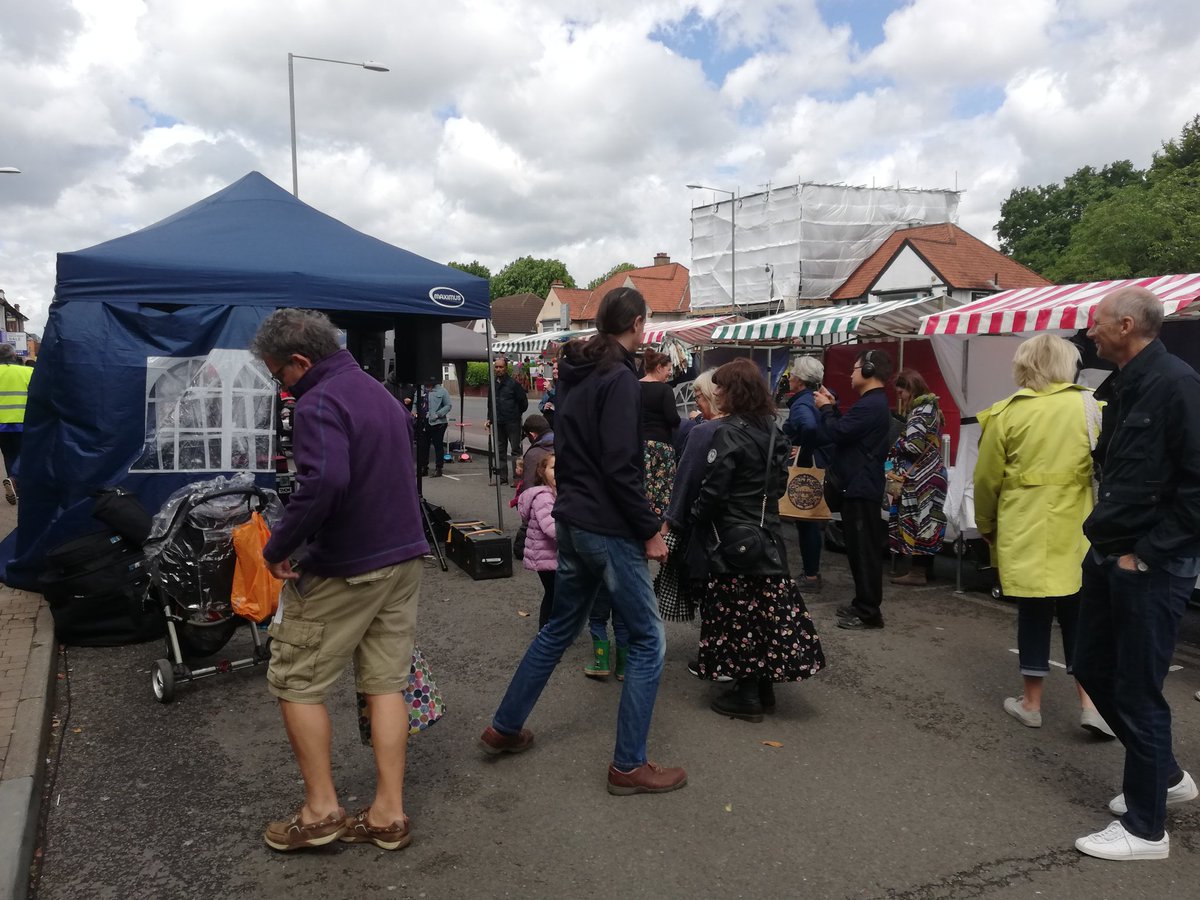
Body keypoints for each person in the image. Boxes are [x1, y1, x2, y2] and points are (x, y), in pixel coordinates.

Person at [480, 287, 686, 796]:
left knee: (558, 629)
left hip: (573, 516)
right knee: (647, 640)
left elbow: (576, 451)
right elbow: (621, 466)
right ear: (636, 324)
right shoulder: (618, 379)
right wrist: (649, 530)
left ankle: (505, 726)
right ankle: (629, 765)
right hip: (606, 525)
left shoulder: (576, 372)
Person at [251, 309, 426, 853]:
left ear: (300, 361)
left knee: (295, 681)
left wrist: (278, 546)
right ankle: (388, 814)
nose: (282, 386)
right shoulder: (379, 393)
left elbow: (325, 480)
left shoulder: (318, 401)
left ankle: (321, 811)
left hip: (349, 565)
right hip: (403, 556)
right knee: (385, 683)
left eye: (279, 374)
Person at [1071, 287, 1200, 862]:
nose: (1089, 331)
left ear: (1126, 325)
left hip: (1149, 562)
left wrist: (1145, 553)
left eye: (1096, 322)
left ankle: (1147, 831)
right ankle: (1165, 778)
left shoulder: (1177, 384)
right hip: (1111, 551)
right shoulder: (1123, 385)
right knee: (1090, 665)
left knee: (1138, 688)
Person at [973, 335, 1113, 738]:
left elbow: (986, 480)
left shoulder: (1006, 414)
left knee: (1033, 612)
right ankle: (1092, 705)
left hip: (1024, 526)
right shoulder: (1092, 407)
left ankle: (1032, 705)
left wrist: (986, 525)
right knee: (1079, 612)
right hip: (1080, 525)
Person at [689, 359, 826, 721]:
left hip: (733, 536)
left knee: (737, 616)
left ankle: (746, 694)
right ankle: (763, 689)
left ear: (734, 391)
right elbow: (778, 485)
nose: (717, 392)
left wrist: (696, 514)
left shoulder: (728, 432)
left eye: (721, 387)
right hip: (767, 533)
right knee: (764, 614)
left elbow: (715, 490)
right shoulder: (773, 430)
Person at [814, 349, 893, 630]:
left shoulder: (872, 404)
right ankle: (863, 603)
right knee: (860, 551)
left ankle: (869, 611)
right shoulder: (871, 403)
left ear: (869, 370)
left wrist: (826, 409)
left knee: (864, 552)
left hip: (861, 487)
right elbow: (847, 431)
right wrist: (833, 408)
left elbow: (837, 432)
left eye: (855, 368)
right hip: (858, 485)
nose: (851, 374)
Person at [886, 368, 948, 585]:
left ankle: (917, 573)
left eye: (901, 393)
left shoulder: (919, 412)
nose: (900, 398)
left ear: (911, 389)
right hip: (934, 473)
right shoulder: (933, 409)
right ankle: (926, 570)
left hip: (920, 477)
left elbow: (914, 446)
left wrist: (895, 441)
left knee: (918, 521)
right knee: (929, 521)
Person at [781, 356, 831, 592]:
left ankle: (810, 575)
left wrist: (803, 450)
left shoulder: (801, 405)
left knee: (806, 519)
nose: (789, 377)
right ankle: (812, 573)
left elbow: (809, 427)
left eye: (792, 374)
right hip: (822, 463)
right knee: (809, 519)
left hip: (808, 466)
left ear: (800, 380)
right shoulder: (819, 399)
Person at [518, 453, 558, 629]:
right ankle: (546, 631)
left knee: (556, 593)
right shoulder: (544, 497)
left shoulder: (556, 493)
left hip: (549, 554)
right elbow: (551, 528)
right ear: (542, 472)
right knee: (553, 593)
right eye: (553, 468)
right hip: (546, 555)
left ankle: (552, 629)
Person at [640, 349, 681, 519]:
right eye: (668, 369)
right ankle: (659, 524)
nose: (670, 373)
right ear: (658, 368)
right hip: (660, 446)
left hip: (638, 444)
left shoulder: (634, 386)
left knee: (642, 486)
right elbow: (673, 418)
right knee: (661, 490)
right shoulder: (665, 390)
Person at [485, 356, 528, 485]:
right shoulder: (493, 384)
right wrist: (489, 419)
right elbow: (490, 403)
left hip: (512, 422)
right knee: (500, 450)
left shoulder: (514, 384)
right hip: (498, 422)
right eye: (496, 367)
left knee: (515, 450)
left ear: (506, 368)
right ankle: (502, 478)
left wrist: (515, 414)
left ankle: (517, 479)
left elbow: (523, 403)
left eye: (501, 367)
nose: (498, 369)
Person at [0, 343, 33, 505]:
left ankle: (14, 485)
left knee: (8, 454)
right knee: (25, 453)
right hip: (23, 421)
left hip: (1, 424)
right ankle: (15, 480)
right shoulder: (28, 372)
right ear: (14, 356)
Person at [416, 377, 452, 478]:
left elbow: (448, 405)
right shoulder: (420, 390)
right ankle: (423, 468)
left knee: (438, 445)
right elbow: (415, 403)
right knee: (423, 446)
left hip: (438, 423)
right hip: (423, 422)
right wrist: (414, 412)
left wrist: (438, 414)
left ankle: (439, 468)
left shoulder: (442, 391)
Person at [517, 414, 554, 497]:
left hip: (541, 500)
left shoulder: (533, 454)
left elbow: (529, 487)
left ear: (533, 434)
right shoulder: (564, 444)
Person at [538, 357, 559, 429]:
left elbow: (563, 401)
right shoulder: (551, 384)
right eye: (553, 369)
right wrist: (544, 406)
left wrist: (550, 390)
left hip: (559, 424)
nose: (554, 371)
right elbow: (541, 404)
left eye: (557, 368)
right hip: (548, 425)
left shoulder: (567, 385)